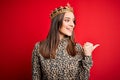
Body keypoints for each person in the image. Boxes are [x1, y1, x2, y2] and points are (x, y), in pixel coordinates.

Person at [32, 3, 99, 80]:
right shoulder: (39, 47)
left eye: (73, 21)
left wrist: (87, 56)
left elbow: (83, 78)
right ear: (57, 23)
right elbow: (35, 77)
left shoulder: (77, 48)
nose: (72, 25)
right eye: (67, 20)